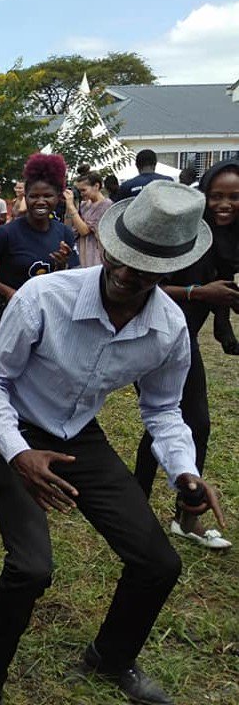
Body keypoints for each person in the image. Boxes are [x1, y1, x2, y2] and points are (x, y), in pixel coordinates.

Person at [0, 180, 226, 705]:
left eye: (148, 267)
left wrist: (184, 471)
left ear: (170, 269)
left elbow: (162, 409)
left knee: (159, 563)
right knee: (32, 566)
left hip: (77, 435)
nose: (128, 274)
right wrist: (18, 453)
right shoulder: (46, 297)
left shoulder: (168, 328)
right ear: (107, 246)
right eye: (123, 259)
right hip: (12, 428)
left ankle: (110, 657)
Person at [134, 159, 239, 549]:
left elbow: (223, 286)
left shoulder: (232, 237)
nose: (224, 204)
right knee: (172, 420)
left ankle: (179, 515)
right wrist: (201, 293)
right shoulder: (186, 231)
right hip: (152, 331)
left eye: (233, 197)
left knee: (188, 425)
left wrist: (223, 321)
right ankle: (143, 508)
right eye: (216, 196)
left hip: (185, 337)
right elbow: (145, 284)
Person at [0, 154, 78, 331]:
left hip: (48, 311)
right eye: (34, 196)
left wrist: (62, 264)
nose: (40, 201)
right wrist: (8, 292)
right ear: (24, 197)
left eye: (48, 196)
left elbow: (66, 277)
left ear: (58, 198)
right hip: (10, 311)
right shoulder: (6, 233)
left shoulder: (64, 233)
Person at [63, 170, 113, 267]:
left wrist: (71, 207)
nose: (81, 194)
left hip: (96, 256)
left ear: (96, 186)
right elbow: (68, 227)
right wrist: (70, 206)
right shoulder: (84, 205)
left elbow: (84, 231)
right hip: (81, 255)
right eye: (78, 190)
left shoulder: (106, 205)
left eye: (83, 190)